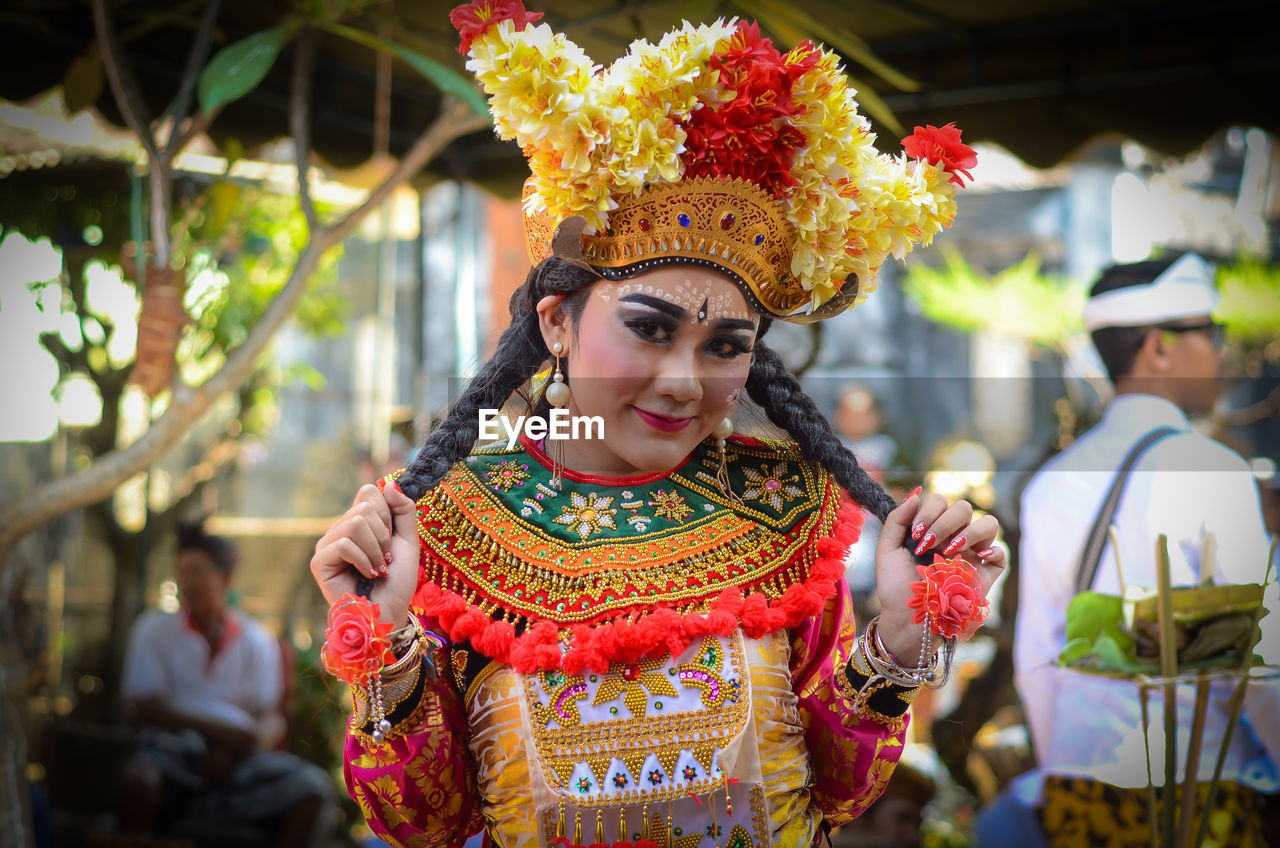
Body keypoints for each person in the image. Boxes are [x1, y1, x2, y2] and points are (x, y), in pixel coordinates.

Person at [309, 3, 1004, 846]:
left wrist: (896, 638)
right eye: (648, 327)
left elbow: (835, 792)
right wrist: (381, 646)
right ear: (558, 322)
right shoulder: (441, 529)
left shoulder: (783, 508)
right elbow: (425, 824)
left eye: (725, 346)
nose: (683, 382)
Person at [1015, 254, 1279, 846]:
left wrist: (1070, 762)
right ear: (1158, 347)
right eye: (1209, 333)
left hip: (1083, 792)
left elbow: (1038, 662)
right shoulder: (1214, 468)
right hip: (1203, 786)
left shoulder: (1051, 483)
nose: (1220, 352)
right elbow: (1257, 659)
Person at [120, 522, 333, 847]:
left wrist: (240, 748)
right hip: (175, 749)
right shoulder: (153, 629)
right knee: (141, 780)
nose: (187, 582)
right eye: (182, 572)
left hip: (243, 758)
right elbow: (144, 707)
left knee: (312, 790)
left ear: (226, 577)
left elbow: (271, 717)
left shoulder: (257, 640)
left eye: (198, 571)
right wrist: (220, 734)